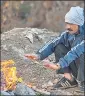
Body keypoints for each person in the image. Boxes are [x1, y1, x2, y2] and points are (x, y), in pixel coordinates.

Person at [25, 6, 84, 92]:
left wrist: (58, 65)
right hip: (79, 68)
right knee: (59, 46)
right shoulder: (69, 33)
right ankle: (69, 79)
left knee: (82, 53)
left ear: (79, 23)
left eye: (70, 24)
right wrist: (38, 55)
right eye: (67, 23)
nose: (67, 27)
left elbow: (76, 51)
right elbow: (53, 42)